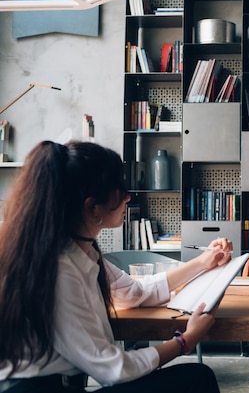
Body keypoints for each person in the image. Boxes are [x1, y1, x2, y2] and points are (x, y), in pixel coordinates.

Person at [0, 140, 233, 393]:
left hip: (61, 385)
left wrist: (203, 261)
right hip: (34, 390)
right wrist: (185, 341)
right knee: (197, 378)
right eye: (119, 189)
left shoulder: (79, 251)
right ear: (92, 206)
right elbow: (113, 369)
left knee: (195, 377)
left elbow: (135, 293)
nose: (128, 196)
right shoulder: (59, 270)